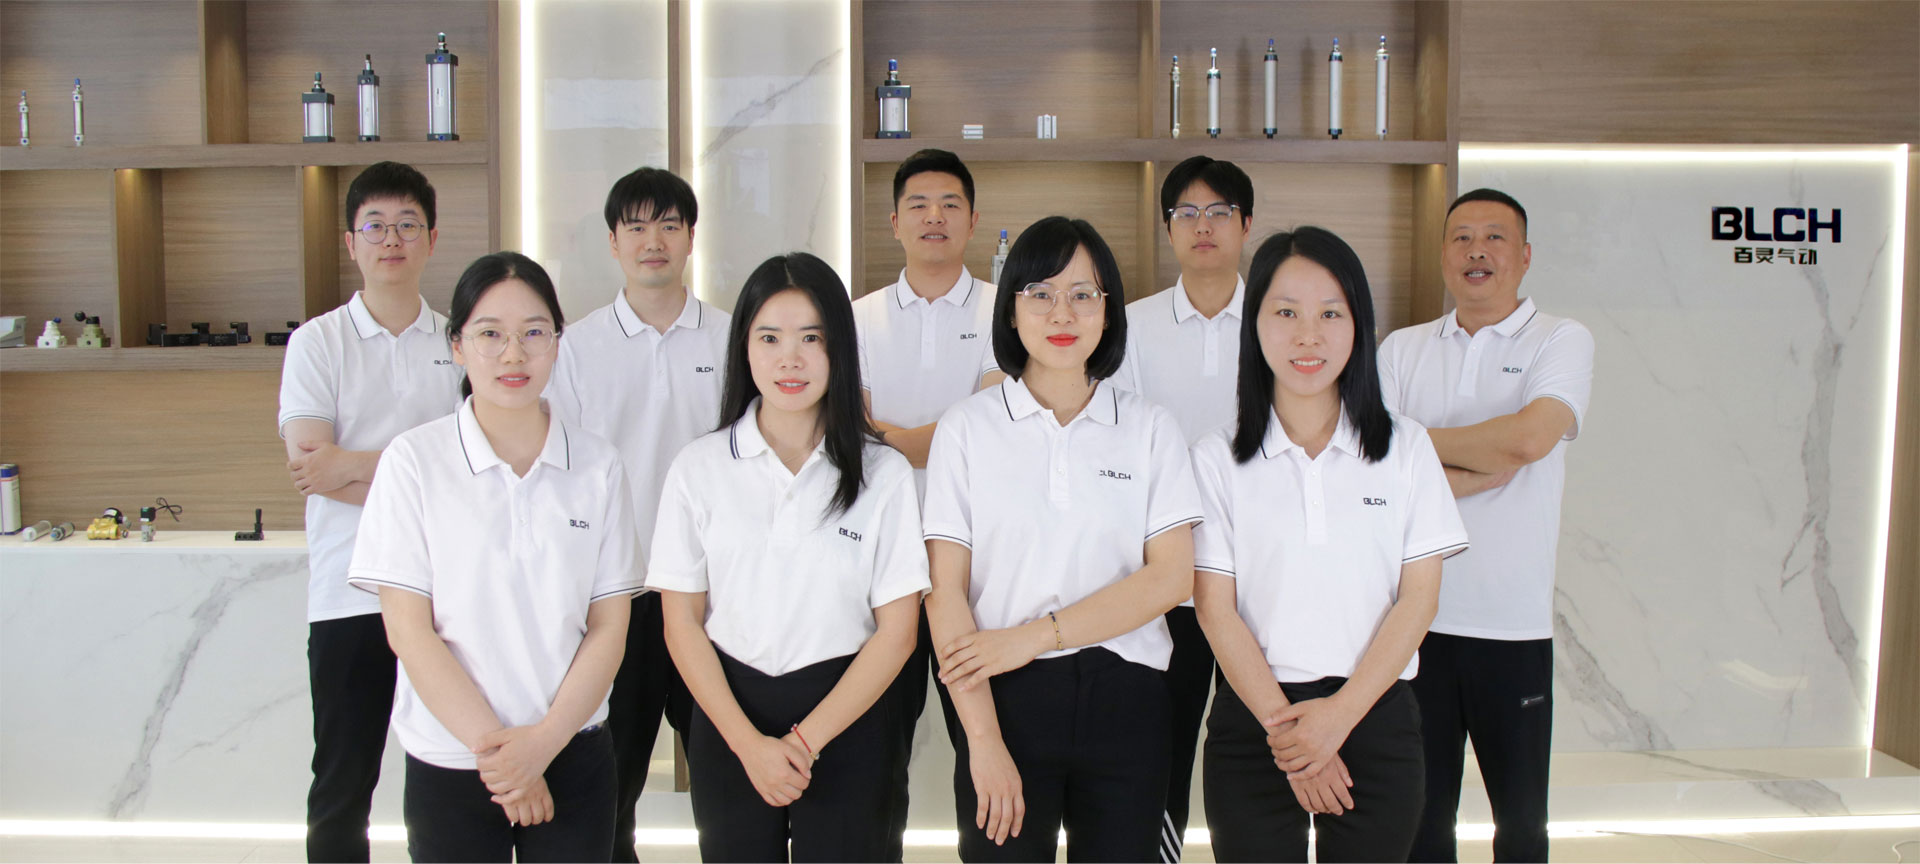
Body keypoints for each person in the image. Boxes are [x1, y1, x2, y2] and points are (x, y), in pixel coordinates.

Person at [922, 216, 1204, 862]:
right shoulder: (967, 428)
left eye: (1083, 294)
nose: (1062, 313)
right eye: (1040, 293)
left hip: (1128, 699)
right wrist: (982, 741)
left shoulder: (1148, 428)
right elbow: (945, 592)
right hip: (1006, 701)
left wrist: (1033, 637)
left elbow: (1170, 577)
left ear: (1108, 311)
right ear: (1010, 309)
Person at [347, 251, 641, 862]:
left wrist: (542, 745)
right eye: (490, 335)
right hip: (452, 758)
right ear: (457, 345)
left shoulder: (598, 465)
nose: (514, 354)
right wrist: (505, 761)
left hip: (573, 750)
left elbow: (609, 627)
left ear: (557, 343)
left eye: (534, 333)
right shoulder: (413, 462)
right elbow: (409, 631)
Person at [1191, 227, 1468, 862]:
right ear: (1254, 324)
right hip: (1256, 718)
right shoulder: (1214, 457)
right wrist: (1293, 738)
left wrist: (1337, 718)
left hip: (1374, 711)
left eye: (1330, 314)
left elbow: (1419, 600)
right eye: (1286, 312)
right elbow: (1214, 608)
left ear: (1359, 325)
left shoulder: (1406, 447)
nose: (1307, 336)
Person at [650, 252, 928, 862]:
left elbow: (899, 632)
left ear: (840, 350)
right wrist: (749, 745)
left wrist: (803, 744)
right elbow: (681, 623)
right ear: (744, 349)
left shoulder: (883, 473)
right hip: (731, 716)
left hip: (849, 715)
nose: (790, 359)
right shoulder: (699, 468)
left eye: (811, 338)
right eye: (770, 338)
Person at [1380, 189, 1594, 864]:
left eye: (1495, 237)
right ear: (1443, 254)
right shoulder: (1402, 350)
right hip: (1414, 624)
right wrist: (1478, 461)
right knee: (1421, 825)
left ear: (1524, 256)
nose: (1477, 250)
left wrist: (1415, 444)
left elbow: (1530, 439)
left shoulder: (1561, 338)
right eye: (1462, 237)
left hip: (1512, 627)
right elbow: (1374, 470)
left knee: (1522, 826)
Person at [277, 161, 462, 862]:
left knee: (446, 777)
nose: (392, 239)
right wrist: (423, 475)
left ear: (432, 239)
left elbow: (471, 473)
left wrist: (352, 465)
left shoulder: (459, 343)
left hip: (447, 596)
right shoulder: (317, 342)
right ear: (350, 242)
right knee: (343, 779)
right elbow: (312, 469)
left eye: (407, 225)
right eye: (376, 226)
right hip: (348, 592)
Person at [544, 166, 728, 861]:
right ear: (613, 241)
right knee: (608, 787)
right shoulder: (575, 348)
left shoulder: (735, 337)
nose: (654, 241)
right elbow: (560, 476)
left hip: (713, 596)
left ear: (691, 238)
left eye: (669, 226)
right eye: (637, 227)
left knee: (727, 780)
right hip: (616, 597)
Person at [852, 147, 998, 857]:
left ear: (972, 220)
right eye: (918, 204)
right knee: (877, 751)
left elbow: (992, 428)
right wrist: (944, 433)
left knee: (989, 741)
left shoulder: (1009, 308)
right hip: (880, 562)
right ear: (894, 222)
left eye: (949, 205)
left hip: (980, 565)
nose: (934, 217)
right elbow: (849, 431)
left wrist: (889, 435)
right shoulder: (857, 318)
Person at [1111, 154, 1255, 862]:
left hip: (1259, 578)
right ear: (1167, 229)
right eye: (1187, 214)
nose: (1204, 227)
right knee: (1160, 745)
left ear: (1246, 225)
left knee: (1251, 745)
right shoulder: (1130, 327)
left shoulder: (1278, 321)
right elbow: (1122, 449)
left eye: (1219, 212)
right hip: (1166, 580)